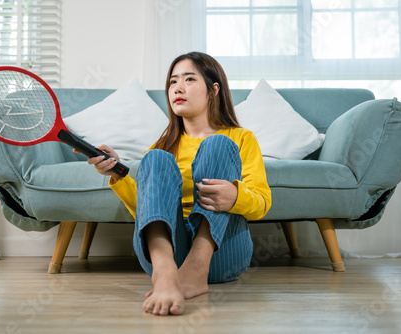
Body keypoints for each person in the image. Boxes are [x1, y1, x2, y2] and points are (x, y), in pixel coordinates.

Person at [84, 52, 271, 316]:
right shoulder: (163, 146)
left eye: (189, 79)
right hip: (168, 252)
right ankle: (164, 271)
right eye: (173, 82)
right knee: (156, 157)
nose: (178, 88)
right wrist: (119, 174)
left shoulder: (241, 138)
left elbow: (262, 202)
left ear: (213, 89)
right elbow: (148, 210)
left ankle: (197, 266)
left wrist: (235, 196)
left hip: (221, 255)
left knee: (217, 144)